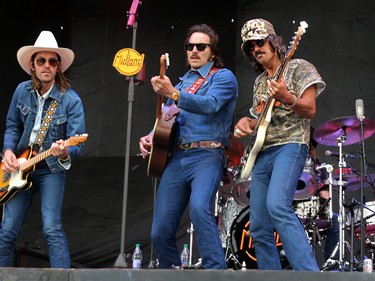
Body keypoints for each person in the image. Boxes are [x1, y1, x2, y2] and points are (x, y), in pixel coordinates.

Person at [139, 23, 238, 269]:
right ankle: (171, 273)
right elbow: (167, 117)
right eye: (189, 46)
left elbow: (211, 104)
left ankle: (216, 271)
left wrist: (172, 93)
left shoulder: (223, 77)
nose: (194, 50)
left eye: (201, 46)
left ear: (212, 52)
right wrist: (152, 136)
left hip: (207, 153)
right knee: (160, 229)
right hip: (176, 157)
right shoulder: (182, 82)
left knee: (199, 208)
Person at [233, 18, 326, 271]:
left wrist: (288, 97)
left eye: (260, 42)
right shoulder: (260, 82)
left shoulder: (298, 67)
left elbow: (310, 110)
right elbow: (260, 119)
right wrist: (246, 122)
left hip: (291, 145)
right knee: (259, 223)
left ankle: (310, 274)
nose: (256, 49)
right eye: (250, 46)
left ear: (274, 41)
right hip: (263, 152)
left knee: (277, 206)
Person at [0, 30, 86, 268]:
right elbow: (12, 126)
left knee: (52, 228)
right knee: (6, 231)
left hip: (50, 169)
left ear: (59, 67)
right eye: (41, 61)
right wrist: (8, 151)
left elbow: (78, 143)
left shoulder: (71, 100)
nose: (47, 65)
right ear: (32, 65)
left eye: (52, 61)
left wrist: (65, 151)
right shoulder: (21, 91)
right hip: (19, 167)